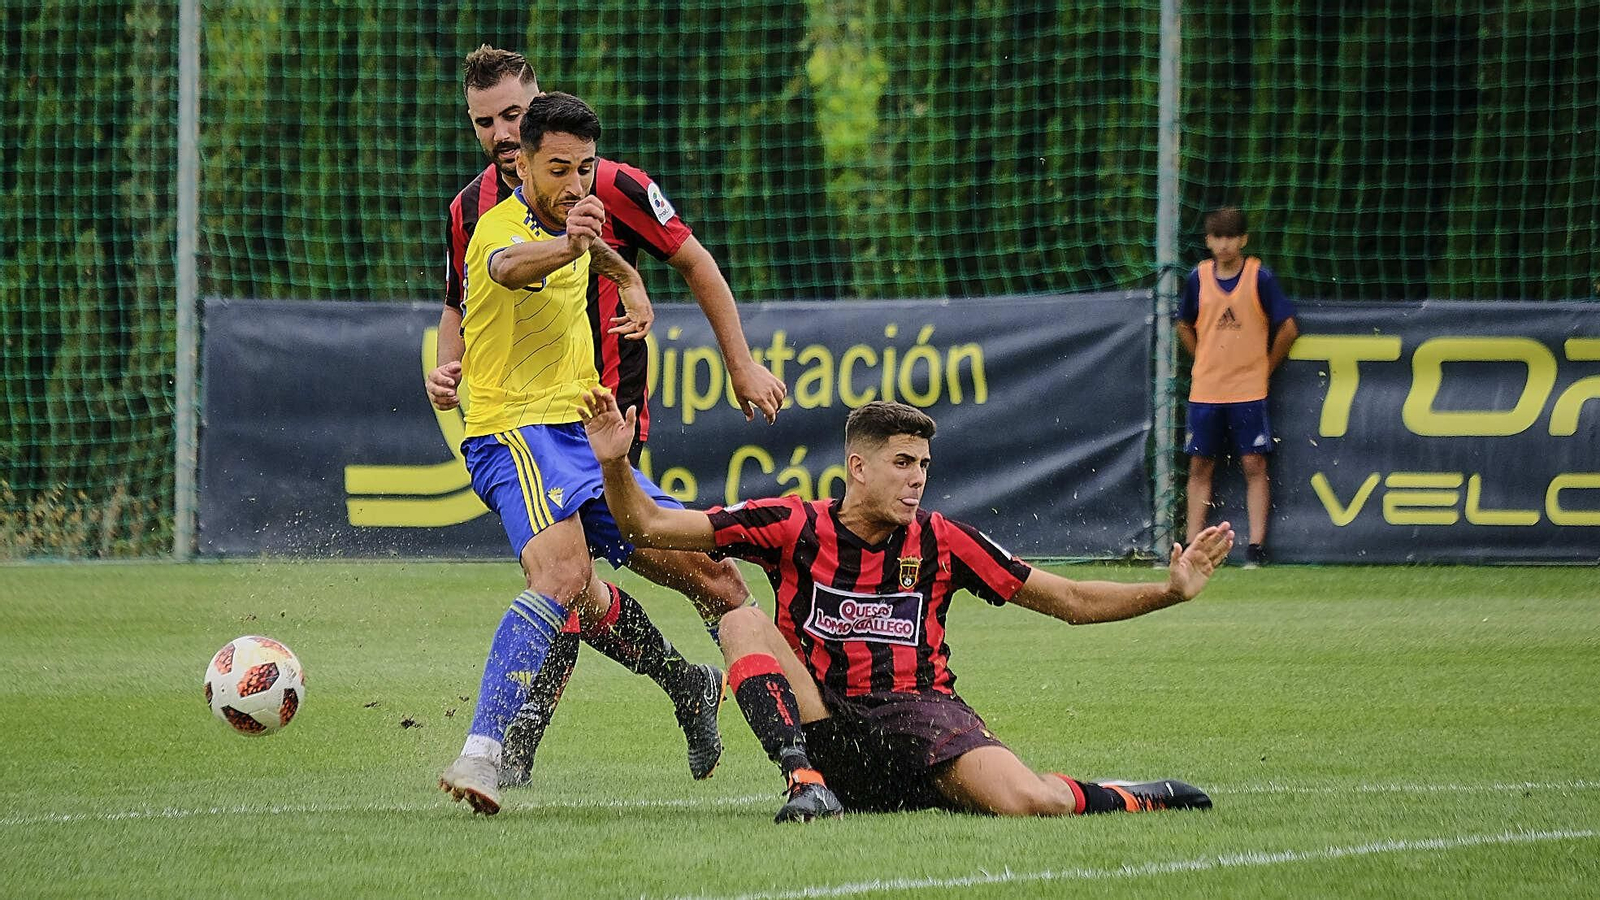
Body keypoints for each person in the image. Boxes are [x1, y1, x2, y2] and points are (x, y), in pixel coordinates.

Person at [580, 390, 1235, 822]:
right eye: (902, 462)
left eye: (923, 463)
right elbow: (646, 527)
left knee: (1028, 802)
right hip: (826, 725)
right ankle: (803, 782)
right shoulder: (789, 523)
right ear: (858, 468)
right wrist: (614, 465)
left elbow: (1067, 599)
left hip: (922, 721)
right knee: (742, 618)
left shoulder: (943, 540)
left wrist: (1168, 591)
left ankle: (1138, 795)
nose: (918, 476)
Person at [429, 47, 787, 790]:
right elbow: (483, 282)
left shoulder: (606, 183)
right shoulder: (480, 212)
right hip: (520, 426)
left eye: (512, 114)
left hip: (603, 421)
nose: (500, 132)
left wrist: (729, 353)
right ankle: (502, 743)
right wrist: (447, 360)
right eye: (484, 122)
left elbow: (692, 261)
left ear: (540, 109)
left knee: (702, 576)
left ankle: (794, 753)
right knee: (567, 577)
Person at [1176, 206, 1299, 567]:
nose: (1225, 244)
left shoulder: (1260, 277)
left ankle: (1256, 548)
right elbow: (1184, 324)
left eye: (1231, 237)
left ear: (1243, 239)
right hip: (1206, 390)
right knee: (1200, 465)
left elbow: (1288, 328)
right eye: (1218, 237)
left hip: (1248, 390)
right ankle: (1191, 548)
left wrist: (1265, 368)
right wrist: (1202, 359)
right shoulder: (1197, 279)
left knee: (1254, 464)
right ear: (1208, 241)